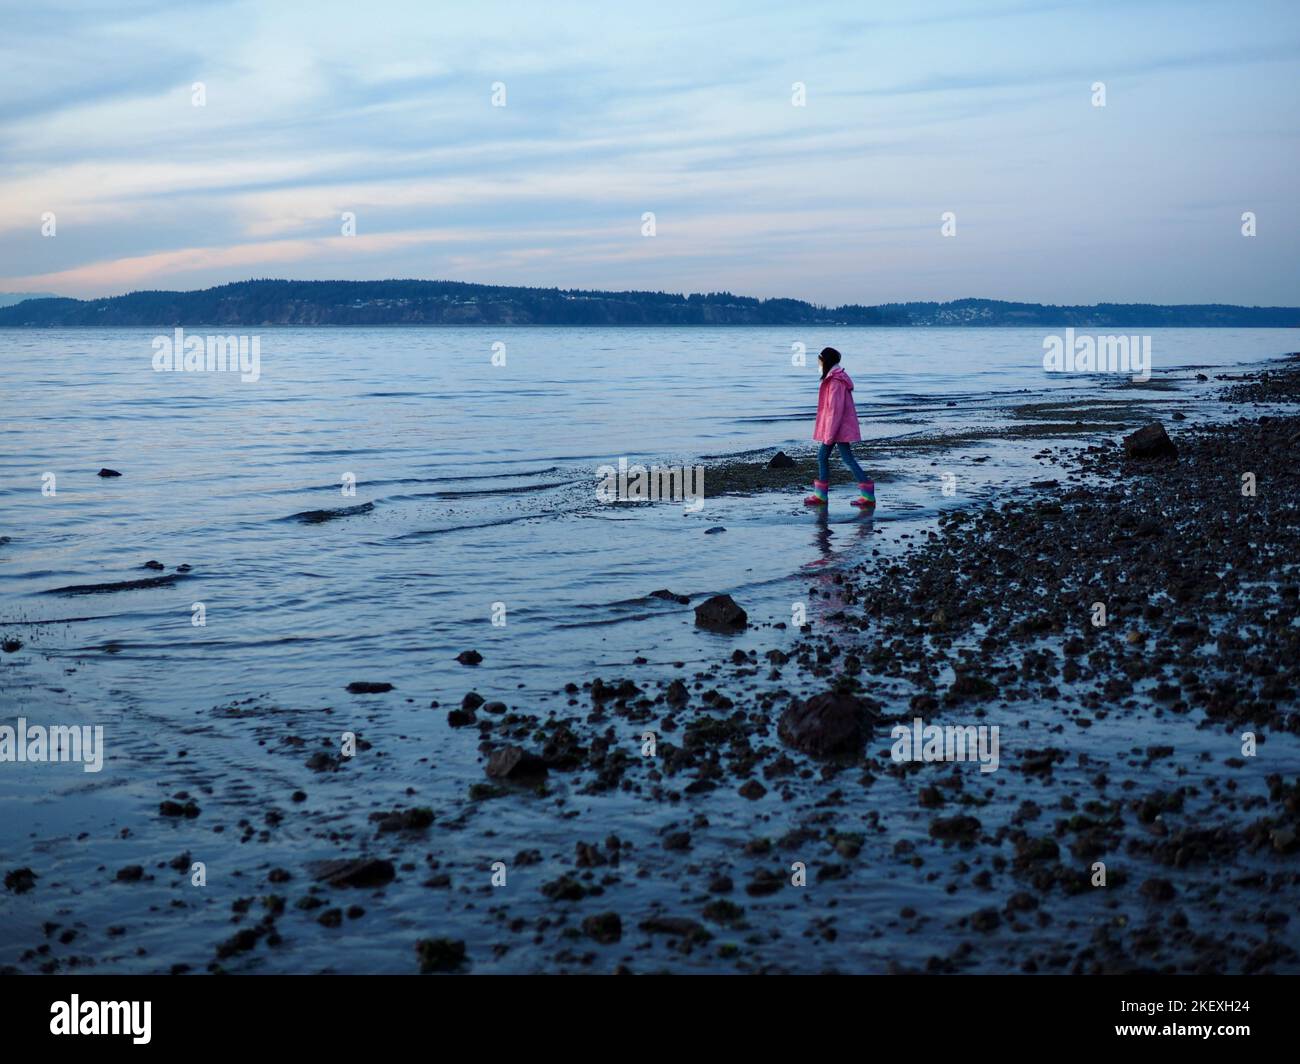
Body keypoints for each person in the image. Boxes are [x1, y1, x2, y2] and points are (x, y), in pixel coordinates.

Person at [803, 347, 874, 509]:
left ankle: (866, 495)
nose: (818, 363)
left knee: (834, 458)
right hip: (837, 428)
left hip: (837, 429)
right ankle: (823, 495)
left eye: (819, 359)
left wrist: (829, 434)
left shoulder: (835, 381)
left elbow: (835, 411)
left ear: (825, 360)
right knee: (833, 457)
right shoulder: (833, 378)